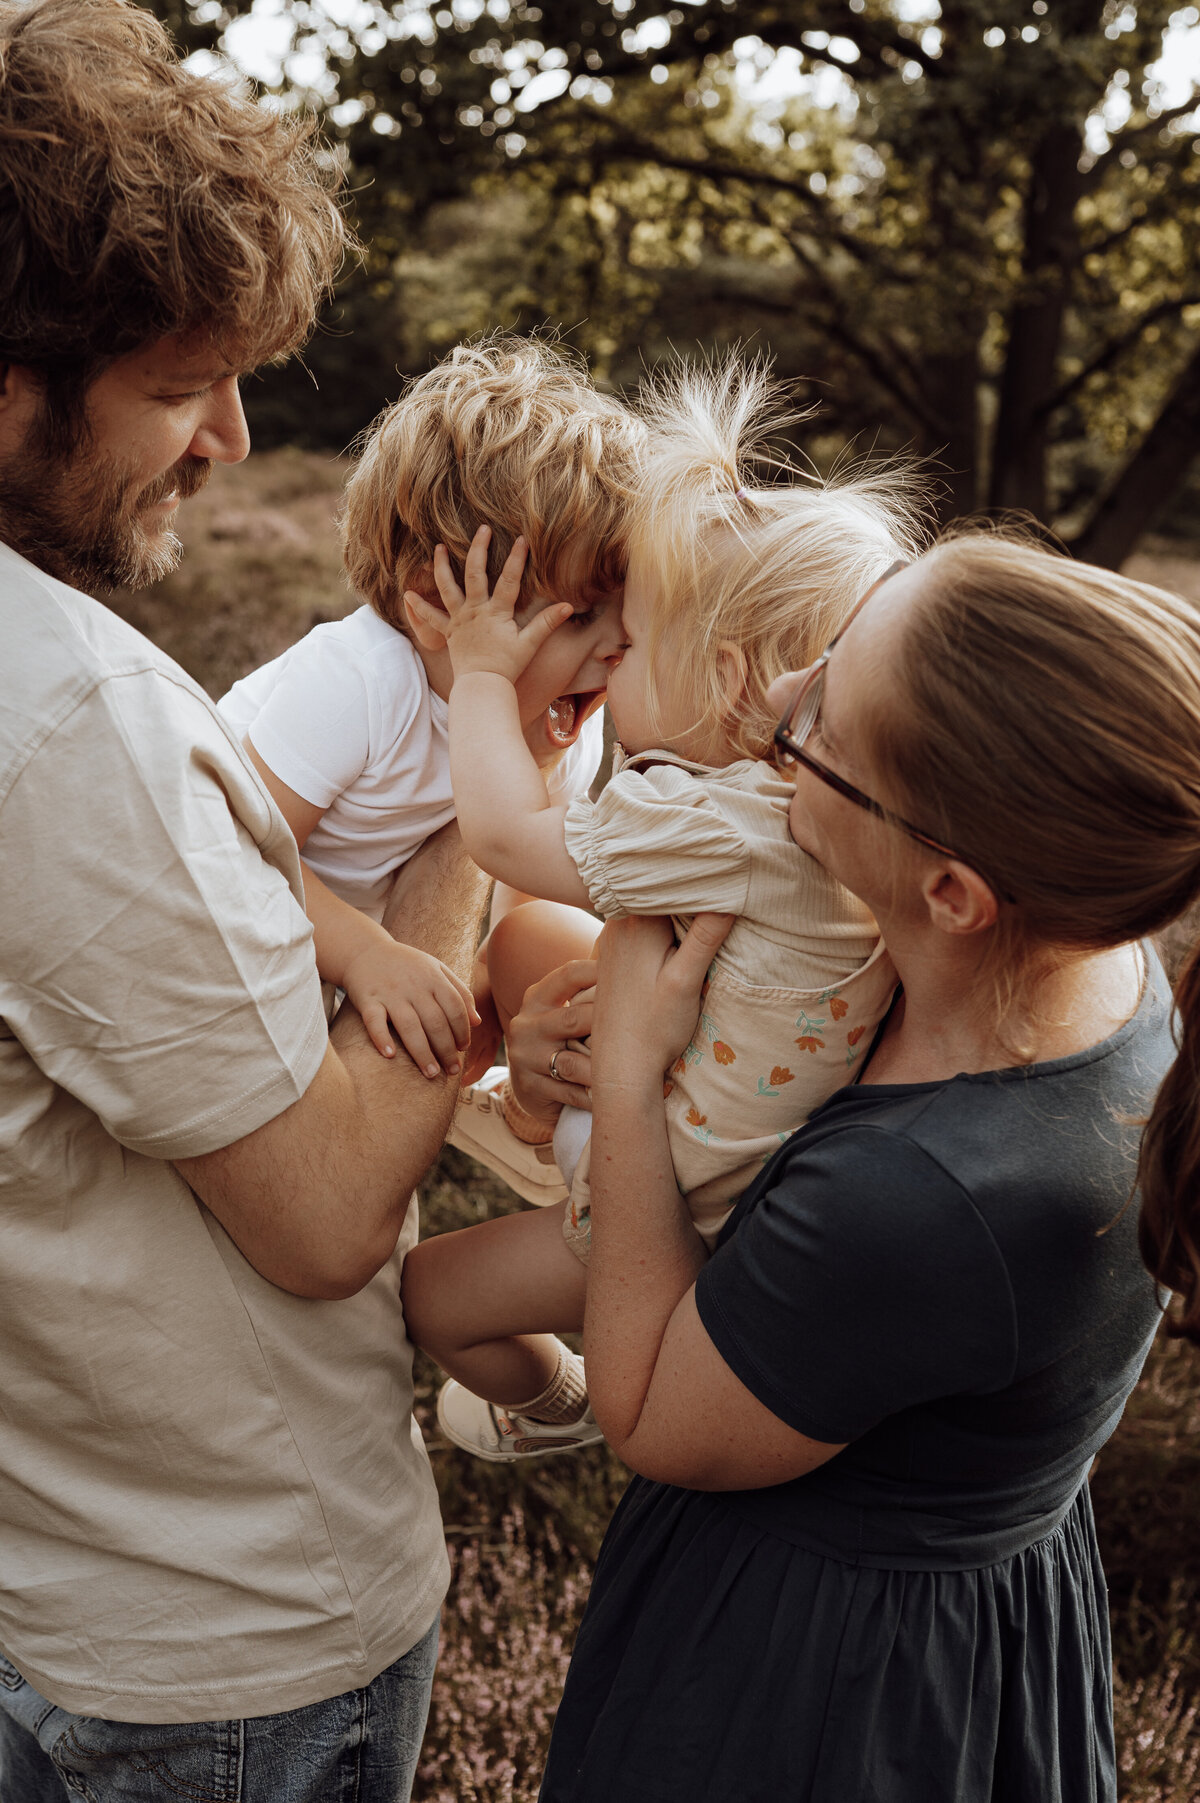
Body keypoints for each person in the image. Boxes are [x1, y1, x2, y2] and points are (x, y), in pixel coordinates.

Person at [0, 3, 488, 1797]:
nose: (226, 435)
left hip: (60, 1554)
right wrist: (463, 852)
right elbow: (322, 1212)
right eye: (174, 384)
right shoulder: (64, 720)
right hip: (224, 1628)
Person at [532, 533, 1194, 1802]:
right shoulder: (1085, 969)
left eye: (819, 724)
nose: (779, 698)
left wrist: (624, 1075)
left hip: (818, 1688)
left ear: (951, 891)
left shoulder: (922, 1199)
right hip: (965, 1606)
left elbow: (648, 1409)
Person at [399, 361, 922, 1460]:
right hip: (749, 1123)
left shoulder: (716, 824)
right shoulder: (816, 804)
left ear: (725, 683)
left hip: (673, 1203)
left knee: (431, 1295)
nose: (604, 656)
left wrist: (484, 675)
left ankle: (555, 1402)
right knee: (532, 941)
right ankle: (535, 1116)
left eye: (626, 644)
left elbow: (501, 836)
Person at [218, 335, 641, 1080]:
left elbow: (526, 888)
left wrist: (505, 992)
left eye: (623, 613)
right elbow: (233, 854)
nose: (617, 646)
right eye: (578, 618)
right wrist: (367, 954)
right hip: (220, 928)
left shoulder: (563, 712)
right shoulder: (360, 683)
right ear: (438, 608)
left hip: (324, 951)